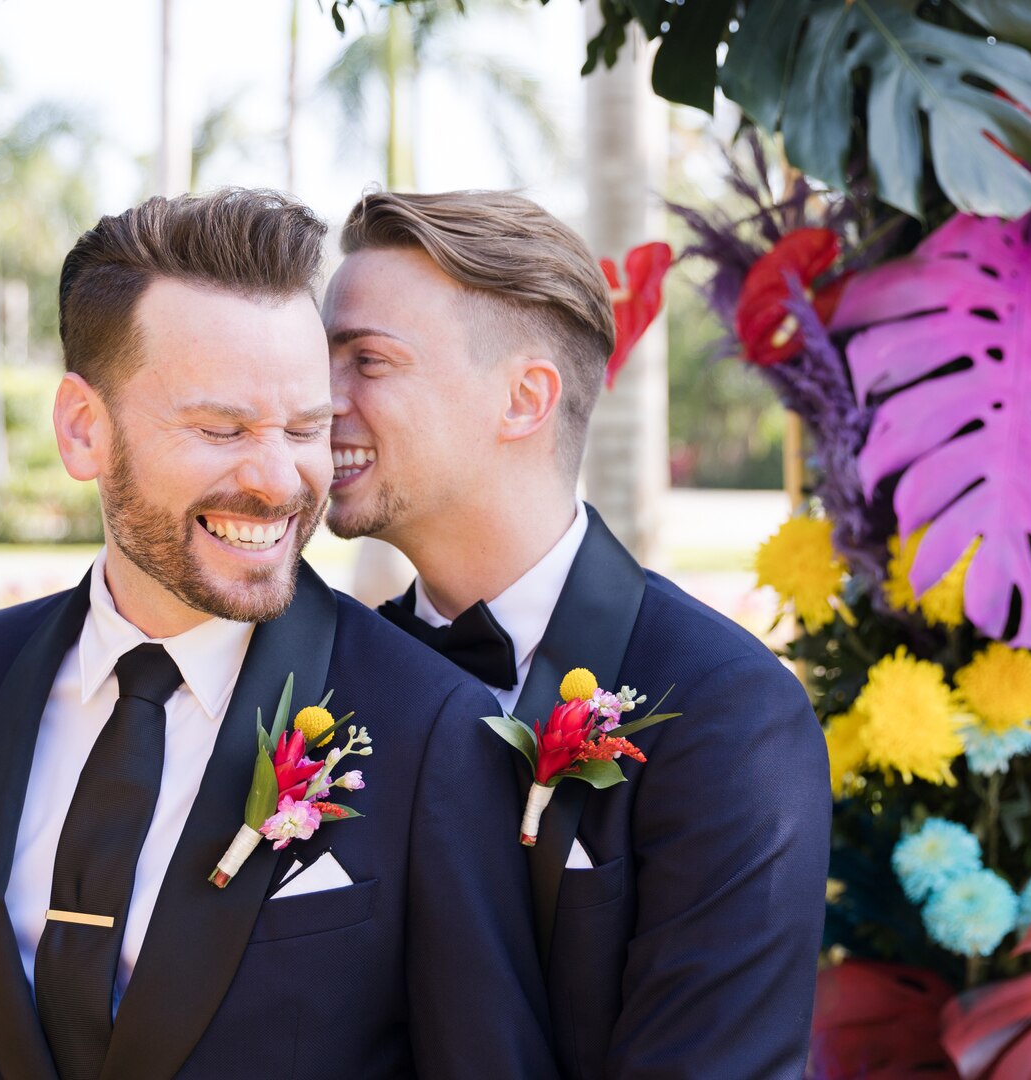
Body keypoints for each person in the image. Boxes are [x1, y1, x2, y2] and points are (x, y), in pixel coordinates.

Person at [0, 188, 556, 1080]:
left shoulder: (431, 724)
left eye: (305, 427)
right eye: (222, 428)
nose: (277, 479)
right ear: (83, 431)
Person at [323, 189, 831, 1080]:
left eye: (365, 360)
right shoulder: (322, 691)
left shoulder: (726, 712)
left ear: (524, 399)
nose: (318, 400)